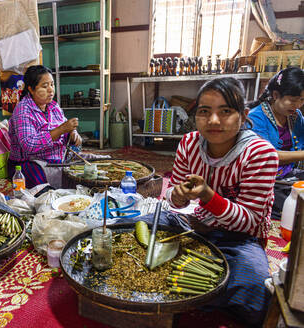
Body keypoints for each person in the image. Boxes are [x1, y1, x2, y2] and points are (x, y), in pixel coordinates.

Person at [120, 78, 278, 326]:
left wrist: (209, 197)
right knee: (132, 226)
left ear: (243, 115)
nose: (214, 121)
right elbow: (172, 198)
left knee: (255, 286)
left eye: (225, 111)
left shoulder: (260, 153)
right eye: (205, 112)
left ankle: (182, 288)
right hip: (191, 224)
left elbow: (250, 222)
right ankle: (197, 290)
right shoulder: (190, 143)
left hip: (236, 239)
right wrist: (178, 195)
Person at [8, 65, 82, 188]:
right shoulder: (23, 109)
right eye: (45, 86)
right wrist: (61, 130)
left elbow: (65, 130)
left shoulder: (54, 107)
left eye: (52, 84)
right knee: (42, 185)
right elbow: (29, 145)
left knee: (87, 168)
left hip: (55, 160)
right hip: (28, 163)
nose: (51, 90)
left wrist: (72, 134)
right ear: (31, 89)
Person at [248, 67, 304, 219]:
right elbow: (268, 156)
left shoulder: (295, 116)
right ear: (275, 95)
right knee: (295, 208)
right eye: (293, 100)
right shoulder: (256, 118)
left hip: (288, 176)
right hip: (263, 182)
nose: (298, 105)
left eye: (302, 100)